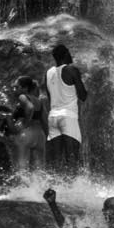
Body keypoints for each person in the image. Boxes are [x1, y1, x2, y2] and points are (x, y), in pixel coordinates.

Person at [43, 44, 87, 175]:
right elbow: (83, 96)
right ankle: (73, 191)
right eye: (69, 52)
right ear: (65, 55)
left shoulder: (48, 73)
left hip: (53, 117)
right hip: (68, 117)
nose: (71, 55)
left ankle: (57, 188)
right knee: (72, 158)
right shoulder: (71, 70)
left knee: (56, 160)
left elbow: (50, 98)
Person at [10, 76, 47, 172]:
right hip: (40, 136)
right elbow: (45, 121)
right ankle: (40, 187)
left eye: (17, 87)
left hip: (26, 134)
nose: (14, 90)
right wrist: (46, 137)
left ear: (25, 88)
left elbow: (30, 108)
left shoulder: (22, 97)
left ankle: (22, 187)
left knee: (21, 169)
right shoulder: (39, 101)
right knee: (39, 171)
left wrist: (25, 124)